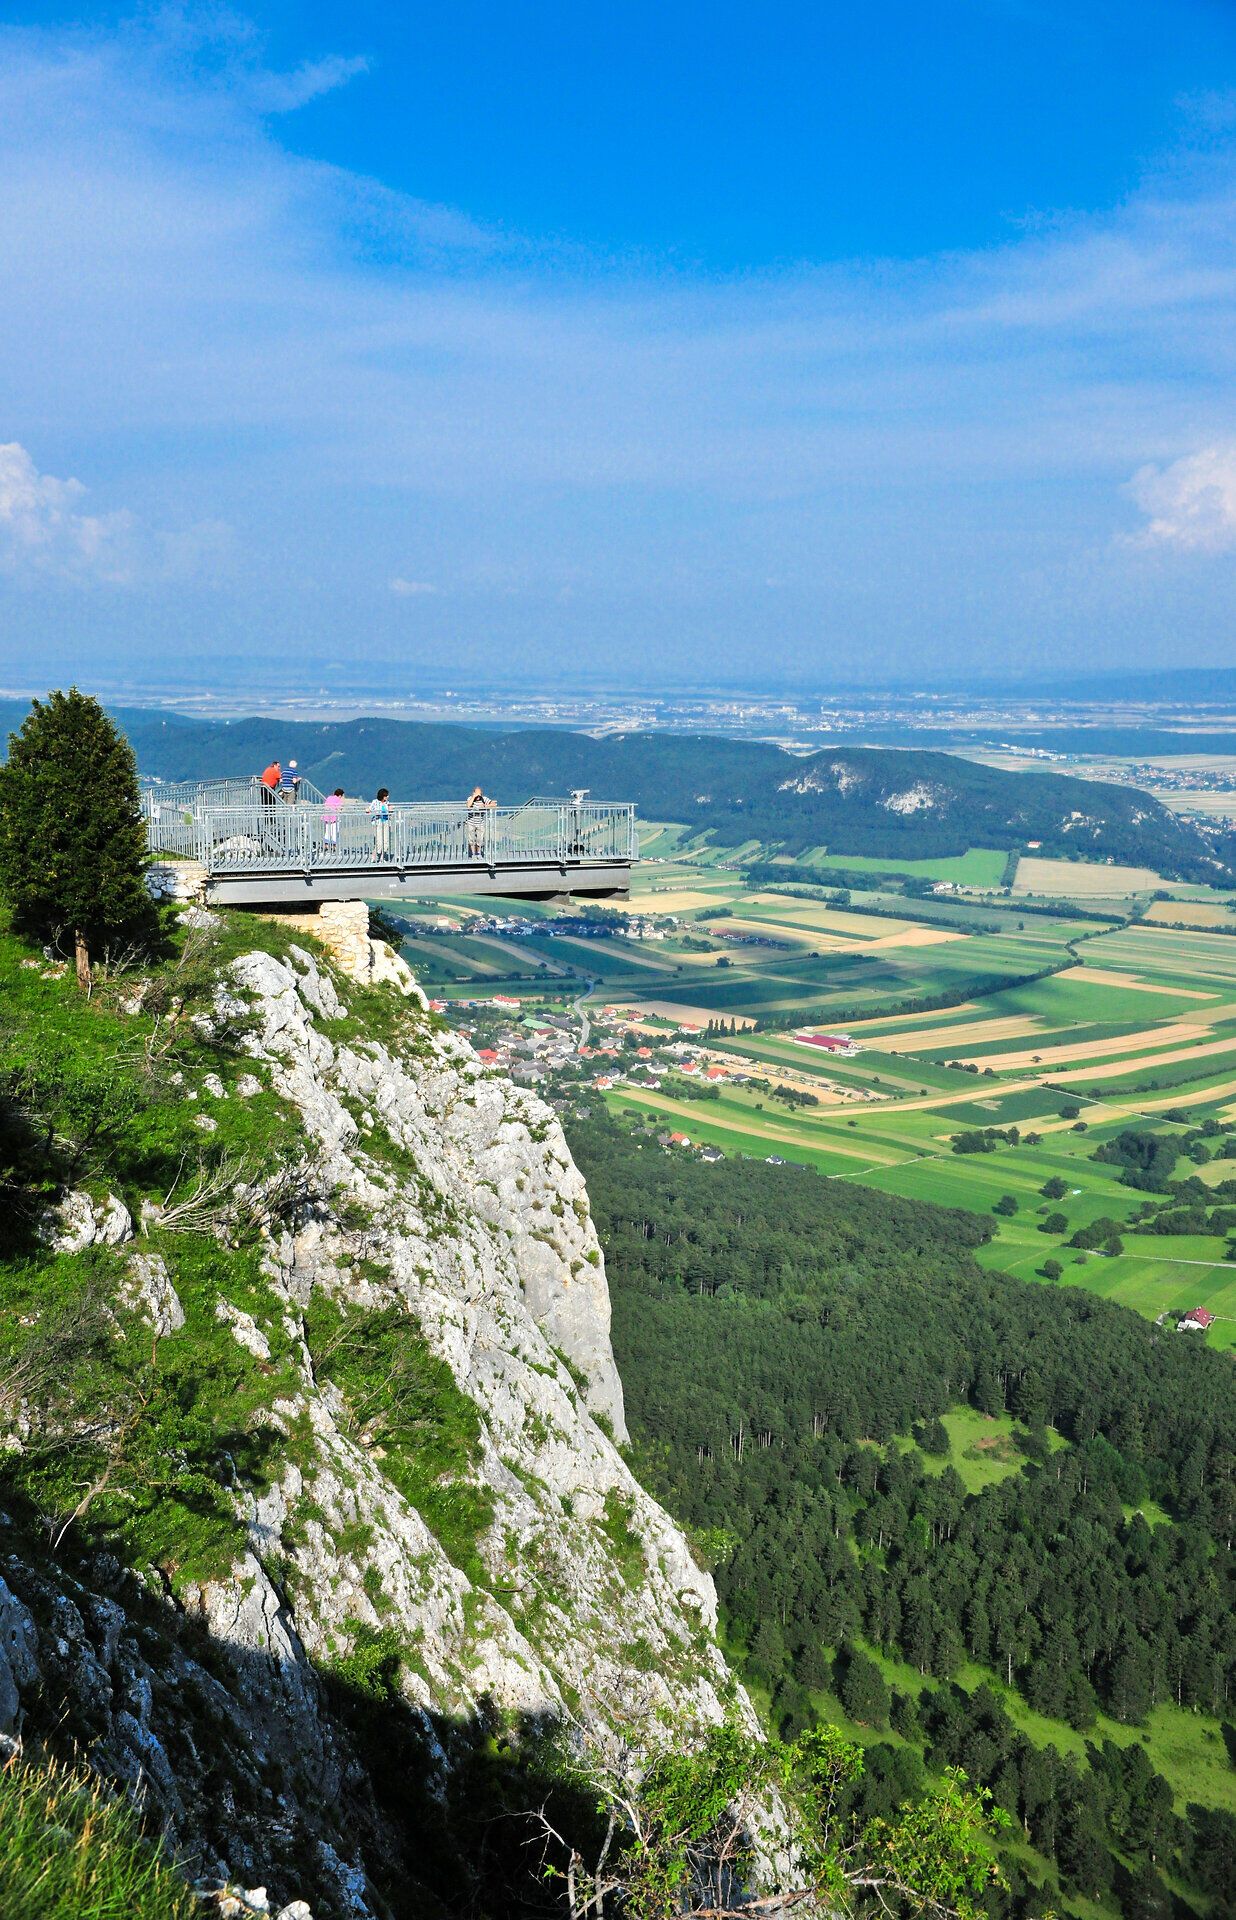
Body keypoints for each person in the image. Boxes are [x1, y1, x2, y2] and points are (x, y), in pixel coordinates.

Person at [466, 784, 495, 856]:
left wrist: (485, 806)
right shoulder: (470, 798)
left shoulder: (484, 799)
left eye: (479, 794)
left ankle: (478, 853)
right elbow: (468, 806)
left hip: (480, 822)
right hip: (471, 822)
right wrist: (474, 797)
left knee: (480, 839)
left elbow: (494, 804)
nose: (478, 796)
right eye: (477, 794)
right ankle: (473, 854)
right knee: (471, 839)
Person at [369, 787, 391, 861]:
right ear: (382, 796)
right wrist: (368, 810)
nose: (387, 797)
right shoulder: (375, 802)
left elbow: (390, 811)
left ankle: (382, 857)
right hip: (378, 823)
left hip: (386, 822)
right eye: (386, 795)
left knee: (386, 841)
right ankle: (375, 855)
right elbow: (370, 809)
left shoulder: (387, 803)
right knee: (379, 841)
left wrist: (390, 809)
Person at [322, 786, 345, 851]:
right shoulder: (338, 800)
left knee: (327, 831)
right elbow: (339, 808)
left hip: (327, 817)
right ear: (340, 795)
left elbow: (325, 806)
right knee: (335, 832)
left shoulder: (329, 797)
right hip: (334, 818)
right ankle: (334, 846)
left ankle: (326, 845)